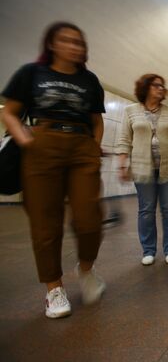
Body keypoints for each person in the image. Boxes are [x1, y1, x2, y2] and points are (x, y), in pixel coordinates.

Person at [0, 22, 106, 318]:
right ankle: (53, 289)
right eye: (67, 41)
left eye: (79, 42)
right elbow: (9, 113)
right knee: (45, 221)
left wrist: (94, 149)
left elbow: (96, 120)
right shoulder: (31, 73)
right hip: (41, 144)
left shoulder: (89, 80)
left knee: (89, 217)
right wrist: (25, 140)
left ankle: (86, 269)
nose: (74, 46)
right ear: (51, 44)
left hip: (81, 146)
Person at [116, 74, 168, 266]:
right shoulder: (130, 111)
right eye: (156, 85)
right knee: (146, 210)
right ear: (145, 88)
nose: (161, 89)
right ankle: (148, 250)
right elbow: (125, 139)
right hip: (142, 169)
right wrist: (122, 163)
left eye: (162, 86)